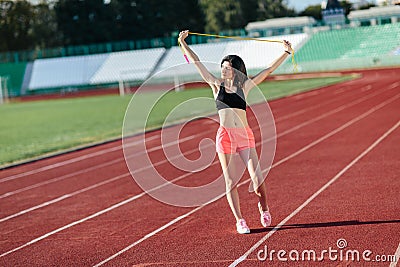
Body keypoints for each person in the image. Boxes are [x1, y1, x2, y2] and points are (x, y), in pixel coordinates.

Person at [178, 30, 292, 234]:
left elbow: (268, 70)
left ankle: (263, 207)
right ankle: (240, 220)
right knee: (231, 181)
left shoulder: (245, 87)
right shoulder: (216, 85)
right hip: (225, 137)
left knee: (257, 181)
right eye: (222, 68)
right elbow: (197, 63)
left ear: (237, 70)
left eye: (228, 68)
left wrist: (286, 53)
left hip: (244, 136)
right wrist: (183, 44)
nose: (223, 71)